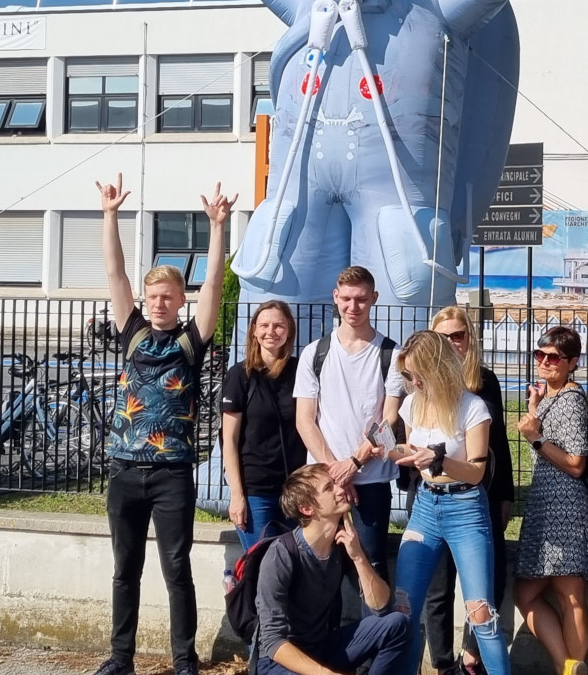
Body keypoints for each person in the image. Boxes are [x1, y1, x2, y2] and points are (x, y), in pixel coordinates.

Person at [93, 174, 237, 675]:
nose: (159, 302)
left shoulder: (191, 341)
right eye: (153, 295)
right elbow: (115, 277)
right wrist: (110, 216)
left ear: (180, 301)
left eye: (168, 296)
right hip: (125, 469)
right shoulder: (131, 331)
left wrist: (218, 227)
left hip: (173, 471)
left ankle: (183, 659)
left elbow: (215, 285)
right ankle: (121, 657)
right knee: (124, 570)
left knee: (177, 569)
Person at [389, 330, 511, 675]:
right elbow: (412, 452)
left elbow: (476, 472)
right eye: (407, 375)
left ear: (437, 368)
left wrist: (438, 460)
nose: (412, 381)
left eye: (417, 374)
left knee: (480, 611)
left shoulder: (473, 407)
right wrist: (389, 450)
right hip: (426, 506)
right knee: (404, 607)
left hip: (466, 507)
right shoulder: (412, 403)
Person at [419, 306, 516, 675]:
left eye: (457, 335)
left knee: (488, 583)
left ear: (469, 339)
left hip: (481, 496)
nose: (450, 343)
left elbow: (500, 444)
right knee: (438, 587)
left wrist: (505, 494)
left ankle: (472, 657)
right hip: (434, 496)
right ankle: (443, 665)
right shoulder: (422, 384)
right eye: (442, 337)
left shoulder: (485, 381)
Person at [294, 265, 405, 583]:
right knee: (317, 571)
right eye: (346, 299)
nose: (352, 307)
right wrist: (335, 471)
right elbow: (305, 419)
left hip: (371, 481)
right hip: (322, 483)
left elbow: (389, 420)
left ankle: (377, 632)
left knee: (371, 568)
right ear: (335, 298)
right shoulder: (314, 353)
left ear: (374, 299)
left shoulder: (391, 354)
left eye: (360, 299)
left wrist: (354, 463)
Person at [255, 463, 409, 675]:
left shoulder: (345, 543)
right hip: (280, 663)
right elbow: (272, 641)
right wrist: (324, 673)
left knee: (397, 623)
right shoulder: (281, 554)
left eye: (337, 483)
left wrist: (358, 557)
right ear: (307, 508)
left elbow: (381, 606)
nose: (340, 489)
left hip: (321, 648)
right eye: (329, 488)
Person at [514, 326, 588, 675]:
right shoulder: (552, 397)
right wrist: (535, 407)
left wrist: (535, 439)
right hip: (546, 505)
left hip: (564, 506)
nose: (545, 362)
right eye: (540, 355)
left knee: (569, 597)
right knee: (529, 594)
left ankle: (569, 667)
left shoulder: (570, 401)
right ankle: (567, 665)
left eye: (554, 357)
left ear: (572, 362)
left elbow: (576, 464)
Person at [221, 300, 306, 550]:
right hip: (256, 490)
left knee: (294, 564)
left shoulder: (300, 370)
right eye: (265, 325)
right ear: (254, 331)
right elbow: (230, 440)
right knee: (261, 565)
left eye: (279, 325)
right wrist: (237, 495)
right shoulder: (239, 376)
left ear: (289, 330)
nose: (271, 331)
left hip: (295, 488)